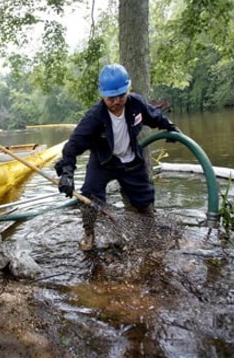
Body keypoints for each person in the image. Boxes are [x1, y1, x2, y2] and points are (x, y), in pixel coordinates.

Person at [54, 63, 182, 251]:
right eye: (111, 98)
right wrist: (67, 172)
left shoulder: (136, 104)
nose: (117, 101)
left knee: (144, 199)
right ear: (103, 95)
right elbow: (73, 146)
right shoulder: (94, 117)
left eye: (121, 96)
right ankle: (89, 235)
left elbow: (154, 116)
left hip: (130, 160)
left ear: (127, 91)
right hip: (103, 162)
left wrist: (170, 127)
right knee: (89, 197)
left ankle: (149, 230)